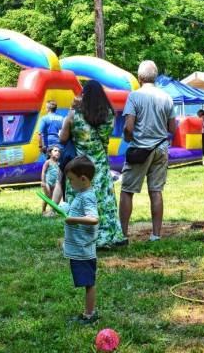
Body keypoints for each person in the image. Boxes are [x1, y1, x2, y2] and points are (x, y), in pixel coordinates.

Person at [59, 81, 125, 248]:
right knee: (104, 201)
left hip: (79, 165)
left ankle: (82, 238)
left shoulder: (74, 114)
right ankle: (108, 237)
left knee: (79, 201)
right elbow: (105, 139)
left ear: (84, 95)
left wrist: (71, 112)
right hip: (100, 165)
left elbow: (62, 138)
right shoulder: (109, 114)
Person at [119, 60, 175, 243]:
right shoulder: (166, 97)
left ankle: (123, 234)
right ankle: (156, 235)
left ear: (139, 77)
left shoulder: (134, 96)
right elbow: (172, 128)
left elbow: (128, 127)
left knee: (127, 190)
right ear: (156, 77)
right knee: (156, 191)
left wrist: (128, 138)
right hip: (161, 148)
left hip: (139, 150)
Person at [61, 156, 100, 325]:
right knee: (86, 282)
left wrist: (74, 219)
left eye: (71, 180)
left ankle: (90, 315)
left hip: (84, 250)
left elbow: (93, 219)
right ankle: (88, 313)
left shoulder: (87, 196)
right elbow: (78, 213)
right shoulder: (81, 194)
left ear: (83, 179)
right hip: (79, 248)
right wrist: (67, 210)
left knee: (89, 283)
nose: (69, 183)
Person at [41, 145, 61, 215]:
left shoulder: (59, 163)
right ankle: (43, 210)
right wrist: (43, 181)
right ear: (50, 153)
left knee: (53, 197)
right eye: (55, 151)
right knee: (47, 196)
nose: (58, 152)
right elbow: (43, 172)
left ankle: (51, 211)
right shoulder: (48, 162)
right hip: (47, 182)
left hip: (55, 183)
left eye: (59, 151)